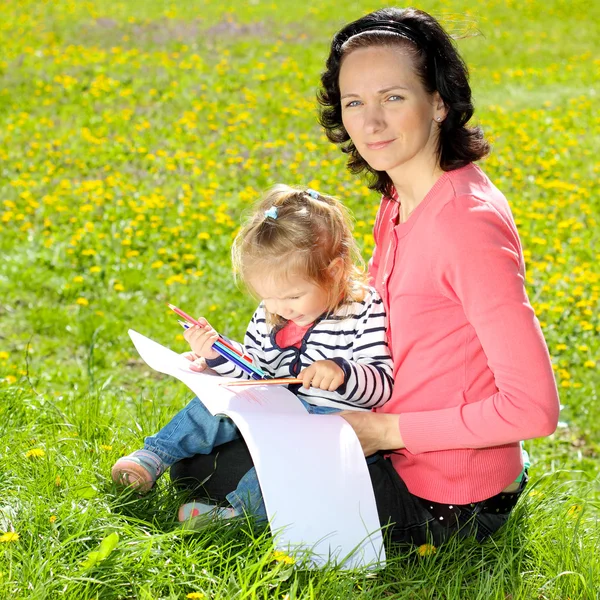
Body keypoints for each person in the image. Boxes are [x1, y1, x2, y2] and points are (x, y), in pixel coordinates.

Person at [170, 7, 559, 547]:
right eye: (355, 102)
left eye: (393, 98)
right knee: (198, 460)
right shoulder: (400, 195)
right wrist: (244, 362)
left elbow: (534, 409)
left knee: (207, 477)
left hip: (446, 498)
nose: (371, 123)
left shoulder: (467, 227)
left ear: (439, 102)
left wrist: (383, 432)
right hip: (378, 429)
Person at [112, 184, 394, 521]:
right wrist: (219, 355)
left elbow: (382, 382)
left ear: (334, 272)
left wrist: (343, 372)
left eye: (292, 297)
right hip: (276, 410)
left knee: (286, 465)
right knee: (213, 407)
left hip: (328, 425)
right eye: (268, 298)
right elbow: (256, 370)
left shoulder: (363, 309)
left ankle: (238, 515)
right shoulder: (272, 311)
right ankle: (153, 456)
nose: (280, 308)